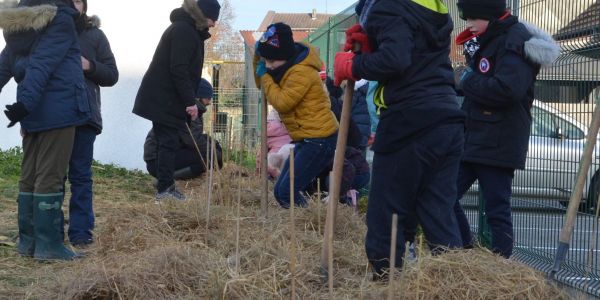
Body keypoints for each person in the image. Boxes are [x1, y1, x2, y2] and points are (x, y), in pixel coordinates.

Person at [334, 0, 467, 279]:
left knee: (386, 211)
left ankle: (385, 282)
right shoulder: (433, 7)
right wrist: (372, 43)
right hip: (446, 118)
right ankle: (454, 284)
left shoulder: (387, 6)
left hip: (409, 121)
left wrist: (355, 64)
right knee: (437, 211)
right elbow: (414, 51)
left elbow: (396, 59)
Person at [453, 0, 559, 258]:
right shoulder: (490, 39)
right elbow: (482, 80)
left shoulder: (514, 42)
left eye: (472, 19)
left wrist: (467, 80)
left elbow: (507, 90)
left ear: (487, 15)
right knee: (442, 195)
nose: (468, 25)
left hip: (499, 139)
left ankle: (501, 266)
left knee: (497, 209)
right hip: (475, 136)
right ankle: (466, 254)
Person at [0, 0, 91, 260]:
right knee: (50, 176)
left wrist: (25, 104)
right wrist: (26, 103)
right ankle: (49, 246)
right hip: (58, 109)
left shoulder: (21, 22)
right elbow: (43, 63)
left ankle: (28, 243)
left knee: (30, 175)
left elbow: (5, 64)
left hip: (33, 110)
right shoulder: (59, 18)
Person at [133, 0, 220, 202]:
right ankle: (165, 190)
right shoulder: (184, 30)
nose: (214, 24)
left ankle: (166, 187)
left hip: (166, 98)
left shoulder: (187, 30)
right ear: (201, 14)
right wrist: (190, 101)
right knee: (168, 143)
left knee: (168, 142)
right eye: (212, 18)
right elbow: (179, 68)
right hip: (165, 99)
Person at [254, 22, 339, 208]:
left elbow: (283, 103)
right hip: (306, 138)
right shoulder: (283, 68)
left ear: (283, 56)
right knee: (279, 191)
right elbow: (260, 84)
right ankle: (306, 217)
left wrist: (265, 76)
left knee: (286, 193)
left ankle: (309, 225)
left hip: (320, 140)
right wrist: (257, 58)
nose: (268, 66)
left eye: (271, 62)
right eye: (265, 61)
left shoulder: (301, 72)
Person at [65, 0, 118, 248]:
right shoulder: (47, 32)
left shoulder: (95, 35)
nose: (74, 6)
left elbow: (112, 74)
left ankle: (81, 233)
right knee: (51, 177)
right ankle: (49, 231)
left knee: (81, 176)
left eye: (78, 1)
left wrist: (90, 66)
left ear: (84, 6)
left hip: (85, 115)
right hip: (54, 117)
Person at [144, 79, 223, 181]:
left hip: (166, 154)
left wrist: (212, 144)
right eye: (208, 97)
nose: (210, 101)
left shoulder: (190, 108)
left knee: (213, 148)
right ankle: (166, 180)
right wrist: (213, 153)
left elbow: (191, 137)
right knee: (207, 158)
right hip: (157, 161)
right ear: (198, 96)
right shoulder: (188, 111)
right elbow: (192, 140)